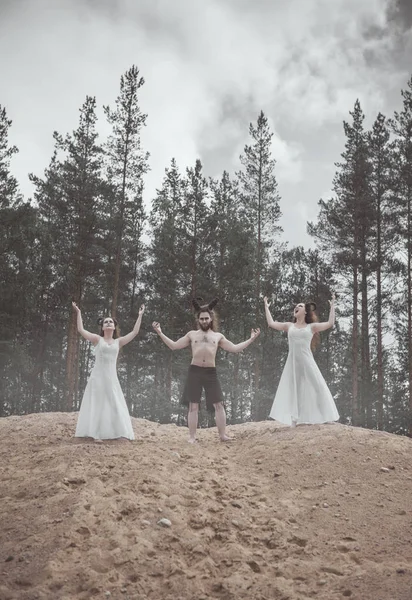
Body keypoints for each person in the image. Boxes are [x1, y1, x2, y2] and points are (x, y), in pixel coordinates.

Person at [152, 298, 260, 443]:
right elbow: (174, 346)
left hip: (211, 372)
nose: (204, 321)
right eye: (201, 318)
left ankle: (222, 435)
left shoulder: (217, 336)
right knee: (193, 405)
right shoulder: (192, 335)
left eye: (206, 318)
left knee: (219, 404)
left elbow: (234, 348)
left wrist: (251, 339)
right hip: (194, 371)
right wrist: (160, 332)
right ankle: (192, 437)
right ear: (198, 319)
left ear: (211, 319)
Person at [72, 302, 145, 442]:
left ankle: (119, 432)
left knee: (114, 402)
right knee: (98, 404)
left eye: (111, 321)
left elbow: (134, 332)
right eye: (106, 322)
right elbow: (81, 330)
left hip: (111, 378)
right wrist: (79, 312)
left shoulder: (118, 342)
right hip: (97, 377)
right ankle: (95, 434)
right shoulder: (97, 339)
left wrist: (140, 315)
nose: (108, 323)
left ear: (114, 326)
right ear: (102, 326)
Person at [264, 293, 339, 427]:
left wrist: (333, 306)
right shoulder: (289, 326)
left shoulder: (311, 327)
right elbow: (271, 323)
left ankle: (326, 416)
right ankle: (295, 418)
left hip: (307, 361)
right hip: (293, 363)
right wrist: (266, 306)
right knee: (296, 390)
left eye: (300, 306)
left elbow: (330, 323)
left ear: (305, 312)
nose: (296, 307)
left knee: (318, 386)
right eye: (296, 306)